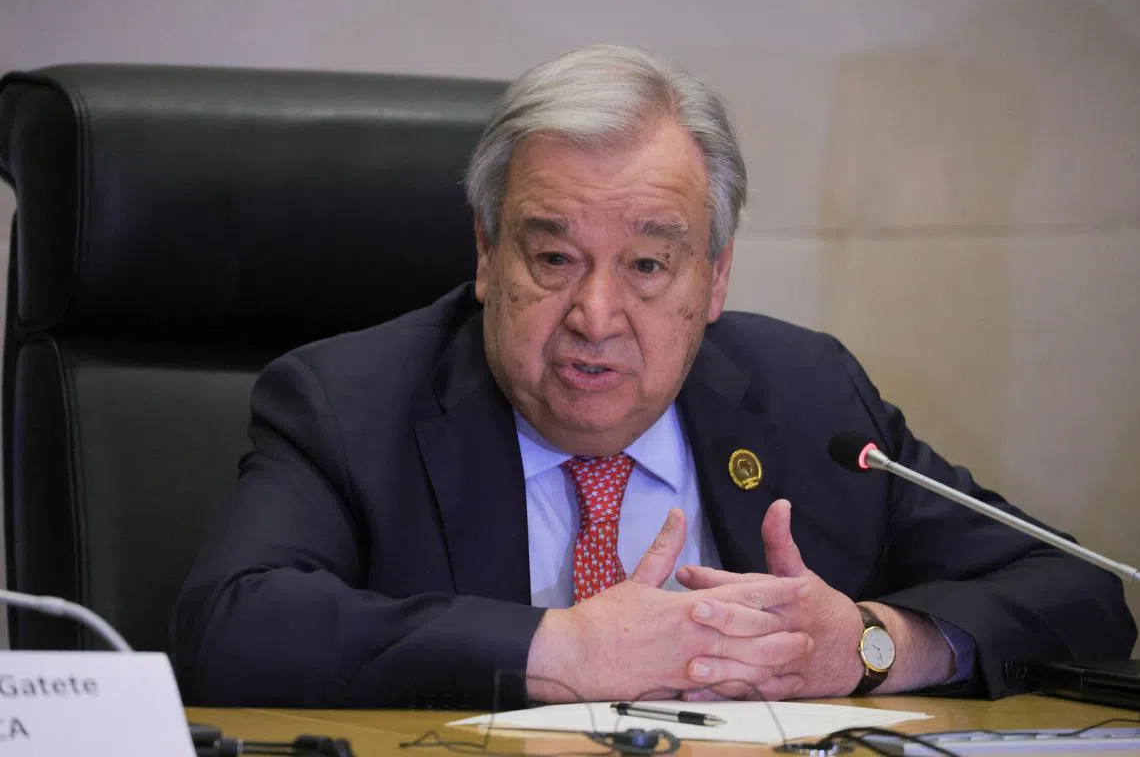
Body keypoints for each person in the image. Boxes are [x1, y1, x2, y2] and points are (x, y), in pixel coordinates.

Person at [171, 45, 1135, 708]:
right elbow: (228, 628)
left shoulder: (807, 396)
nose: (595, 316)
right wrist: (562, 652)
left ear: (713, 277)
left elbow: (1082, 593)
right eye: (552, 261)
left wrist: (877, 646)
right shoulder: (349, 405)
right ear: (486, 254)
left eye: (646, 265)